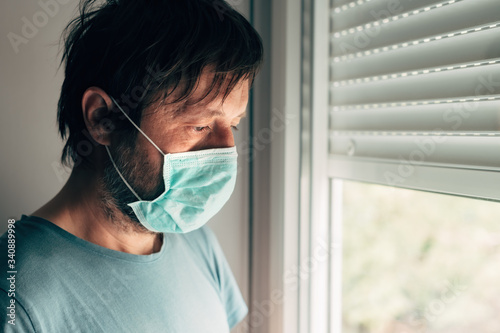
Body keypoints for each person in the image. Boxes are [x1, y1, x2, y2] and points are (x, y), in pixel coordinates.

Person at [0, 0, 263, 332]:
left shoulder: (199, 243)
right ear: (103, 119)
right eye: (199, 126)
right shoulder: (16, 295)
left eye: (234, 125)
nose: (227, 151)